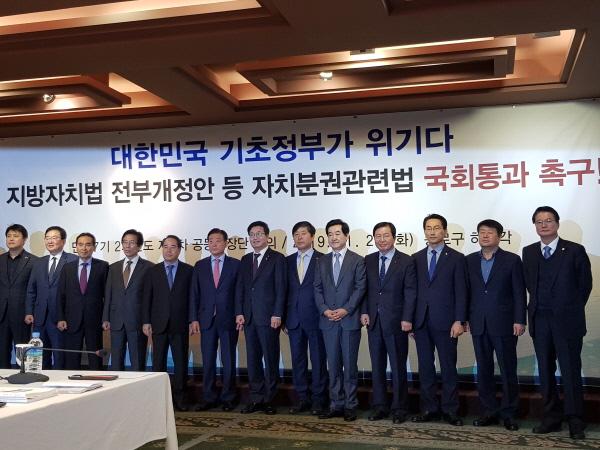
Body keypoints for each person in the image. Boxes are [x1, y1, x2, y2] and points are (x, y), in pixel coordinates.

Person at [522, 206, 593, 440]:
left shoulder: (574, 250)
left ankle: (575, 419)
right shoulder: (529, 252)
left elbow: (584, 286)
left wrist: (568, 308)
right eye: (539, 221)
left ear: (557, 224)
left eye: (549, 220)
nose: (544, 225)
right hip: (540, 321)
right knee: (545, 370)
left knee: (570, 370)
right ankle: (551, 417)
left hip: (567, 322)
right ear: (535, 225)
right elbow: (530, 284)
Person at [466, 219, 526, 431]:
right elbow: (466, 292)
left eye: (490, 232)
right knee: (484, 369)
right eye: (481, 232)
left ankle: (509, 413)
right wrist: (464, 319)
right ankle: (489, 411)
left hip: (504, 323)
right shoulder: (469, 260)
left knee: (508, 369)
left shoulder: (512, 260)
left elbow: (519, 293)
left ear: (499, 236)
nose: (485, 236)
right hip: (478, 323)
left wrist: (520, 319)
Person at [411, 214, 468, 426]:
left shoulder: (456, 257)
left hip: (447, 322)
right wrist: (411, 320)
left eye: (436, 228)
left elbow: (461, 291)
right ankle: (428, 408)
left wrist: (459, 320)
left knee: (448, 367)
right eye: (428, 228)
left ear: (445, 231)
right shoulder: (415, 257)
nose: (432, 231)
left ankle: (450, 410)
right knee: (425, 367)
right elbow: (411, 291)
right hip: (421, 322)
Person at [361, 221, 416, 424]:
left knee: (398, 366)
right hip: (374, 321)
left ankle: (400, 408)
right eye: (378, 236)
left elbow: (410, 292)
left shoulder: (406, 260)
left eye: (386, 235)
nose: (382, 240)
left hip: (397, 322)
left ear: (394, 237)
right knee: (377, 366)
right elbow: (365, 290)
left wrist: (407, 318)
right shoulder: (368, 260)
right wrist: (364, 311)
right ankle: (380, 406)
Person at [314, 219, 366, 422]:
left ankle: (350, 405)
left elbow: (360, 288)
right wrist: (325, 310)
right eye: (330, 234)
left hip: (349, 320)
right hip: (328, 321)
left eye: (337, 233)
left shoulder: (357, 260)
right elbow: (317, 288)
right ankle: (336, 404)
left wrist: (346, 309)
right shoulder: (321, 261)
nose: (333, 237)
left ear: (346, 236)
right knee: (333, 366)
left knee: (350, 366)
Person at [235, 221, 286, 415]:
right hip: (249, 318)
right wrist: (239, 312)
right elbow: (240, 288)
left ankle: (270, 399)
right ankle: (256, 398)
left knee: (270, 359)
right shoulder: (245, 259)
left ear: (267, 237)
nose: (255, 237)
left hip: (269, 317)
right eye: (252, 234)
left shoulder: (277, 258)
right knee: (253, 360)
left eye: (259, 234)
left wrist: (277, 313)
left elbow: (281, 288)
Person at [189, 228, 240, 412]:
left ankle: (228, 397)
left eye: (218, 240)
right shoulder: (200, 265)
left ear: (225, 243)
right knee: (208, 360)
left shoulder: (236, 264)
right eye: (210, 241)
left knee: (228, 360)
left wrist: (239, 314)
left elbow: (239, 293)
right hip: (206, 319)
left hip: (229, 319)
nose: (214, 244)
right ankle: (208, 397)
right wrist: (193, 318)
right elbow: (194, 294)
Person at [142, 235, 194, 412]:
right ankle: (158, 399)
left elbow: (192, 298)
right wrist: (146, 321)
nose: (169, 250)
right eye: (165, 247)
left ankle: (180, 399)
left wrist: (192, 319)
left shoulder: (188, 270)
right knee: (158, 364)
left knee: (180, 364)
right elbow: (147, 298)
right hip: (158, 324)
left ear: (179, 249)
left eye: (173, 247)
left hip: (180, 324)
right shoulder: (153, 271)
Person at [285, 221, 328, 415]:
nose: (299, 237)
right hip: (293, 319)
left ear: (312, 237)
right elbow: (283, 291)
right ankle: (302, 398)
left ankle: (319, 399)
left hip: (317, 318)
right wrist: (284, 318)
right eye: (296, 234)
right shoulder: (287, 261)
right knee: (298, 360)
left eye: (303, 233)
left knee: (318, 360)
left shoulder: (323, 259)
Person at [26, 226, 77, 369]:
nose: (50, 241)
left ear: (63, 241)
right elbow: (31, 290)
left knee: (60, 356)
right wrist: (29, 311)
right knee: (39, 356)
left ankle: (59, 380)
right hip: (39, 317)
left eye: (54, 238)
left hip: (61, 317)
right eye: (47, 238)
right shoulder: (39, 262)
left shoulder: (73, 260)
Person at [57, 232, 109, 370]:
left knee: (95, 357)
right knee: (72, 358)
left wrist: (106, 318)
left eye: (88, 244)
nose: (84, 248)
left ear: (94, 247)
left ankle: (97, 381)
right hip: (71, 320)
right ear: (76, 247)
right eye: (80, 244)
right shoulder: (67, 268)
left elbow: (107, 295)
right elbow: (61, 295)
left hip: (95, 320)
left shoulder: (103, 266)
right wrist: (61, 318)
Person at [103, 229, 152, 371]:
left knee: (137, 361)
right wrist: (106, 318)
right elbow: (108, 294)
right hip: (116, 320)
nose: (127, 246)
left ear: (139, 246)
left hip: (137, 321)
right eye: (125, 242)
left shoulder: (149, 267)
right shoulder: (113, 267)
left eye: (131, 243)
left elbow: (150, 297)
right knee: (116, 361)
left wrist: (147, 321)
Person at [0, 224, 37, 368]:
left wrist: (30, 311)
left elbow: (34, 290)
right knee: (2, 352)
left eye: (15, 236)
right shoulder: (1, 259)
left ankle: (23, 377)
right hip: (2, 314)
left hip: (22, 314)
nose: (11, 239)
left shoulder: (34, 261)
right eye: (9, 236)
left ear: (24, 239)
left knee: (22, 352)